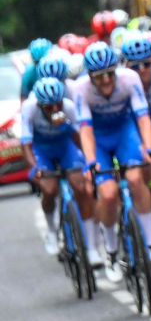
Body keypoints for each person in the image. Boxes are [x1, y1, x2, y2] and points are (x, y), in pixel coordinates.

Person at [73, 42, 151, 280]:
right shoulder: (81, 88)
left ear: (117, 69)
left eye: (109, 74)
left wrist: (150, 148)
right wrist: (91, 160)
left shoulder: (129, 78)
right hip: (99, 139)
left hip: (125, 132)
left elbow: (143, 119)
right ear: (90, 75)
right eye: (99, 76)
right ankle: (112, 251)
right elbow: (85, 129)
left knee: (135, 177)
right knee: (109, 194)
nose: (105, 81)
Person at [21, 78, 96, 261]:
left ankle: (92, 247)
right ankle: (52, 231)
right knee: (49, 188)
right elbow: (25, 144)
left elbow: (79, 137)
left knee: (80, 188)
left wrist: (86, 161)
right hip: (42, 150)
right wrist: (35, 168)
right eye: (48, 107)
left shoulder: (68, 107)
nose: (55, 109)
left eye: (58, 104)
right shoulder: (29, 108)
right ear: (40, 105)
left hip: (65, 148)